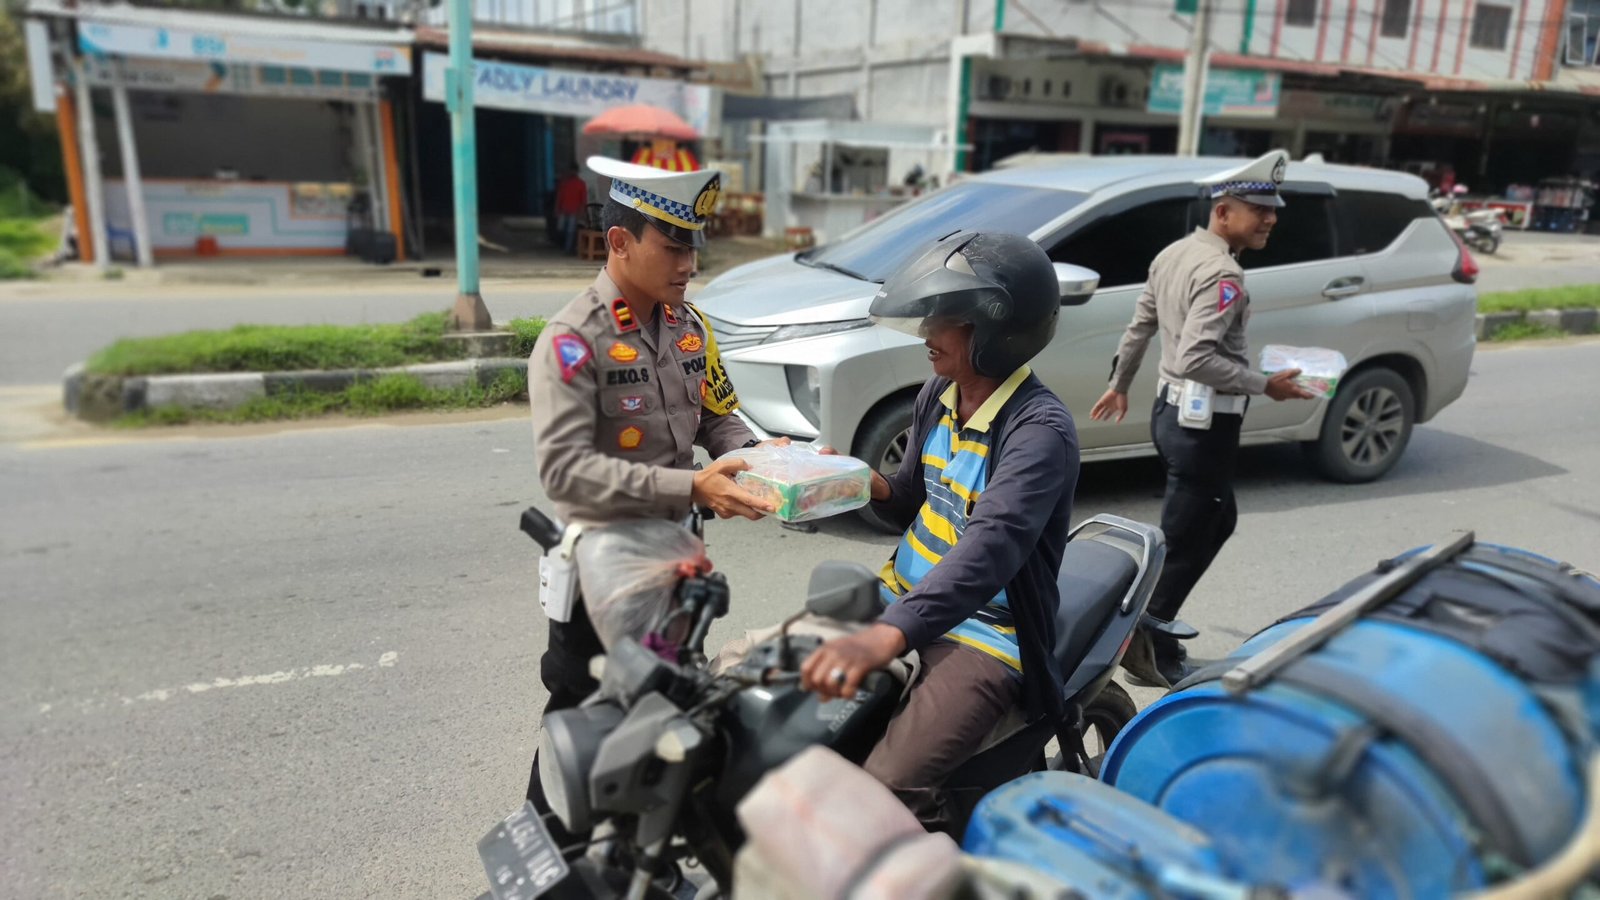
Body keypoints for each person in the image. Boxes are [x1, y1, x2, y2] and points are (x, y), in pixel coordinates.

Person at [523, 155, 778, 846]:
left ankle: (644, 854)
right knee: (581, 709)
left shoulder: (690, 325)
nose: (689, 262)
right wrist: (689, 485)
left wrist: (768, 458)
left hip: (675, 567)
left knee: (668, 709)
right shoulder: (573, 342)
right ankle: (549, 849)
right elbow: (566, 472)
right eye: (673, 245)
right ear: (620, 243)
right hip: (598, 574)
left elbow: (718, 417)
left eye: (694, 245)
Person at [799, 231, 1080, 836]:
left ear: (997, 330)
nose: (928, 332)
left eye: (946, 317)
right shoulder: (939, 395)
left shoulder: (1039, 431)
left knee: (888, 792)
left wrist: (886, 636)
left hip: (986, 634)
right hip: (899, 599)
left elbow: (989, 552)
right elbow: (907, 502)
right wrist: (853, 477)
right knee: (778, 721)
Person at [1089, 149, 1314, 687]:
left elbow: (1139, 326)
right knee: (1185, 536)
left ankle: (1147, 632)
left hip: (1173, 414)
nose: (1271, 219)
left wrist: (1119, 386)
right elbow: (1195, 357)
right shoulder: (1222, 274)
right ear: (1223, 212)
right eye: (1258, 210)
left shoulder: (1175, 254)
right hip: (1203, 424)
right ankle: (1148, 643)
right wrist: (1268, 386)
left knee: (1213, 521)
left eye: (1272, 210)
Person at [551, 168, 589, 255]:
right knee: (563, 230)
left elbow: (583, 199)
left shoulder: (579, 183)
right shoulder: (566, 183)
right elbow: (560, 197)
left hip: (573, 211)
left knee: (569, 231)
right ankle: (564, 247)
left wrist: (581, 211)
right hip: (565, 210)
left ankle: (567, 248)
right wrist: (557, 209)